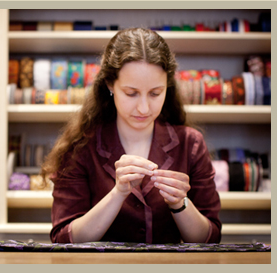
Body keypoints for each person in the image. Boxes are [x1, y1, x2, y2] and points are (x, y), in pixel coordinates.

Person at [41, 27, 222, 244]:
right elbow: (63, 240)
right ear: (110, 85)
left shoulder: (190, 143)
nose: (144, 108)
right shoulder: (80, 147)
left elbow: (210, 240)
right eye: (131, 93)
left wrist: (180, 204)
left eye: (155, 93)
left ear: (168, 87)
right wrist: (118, 193)